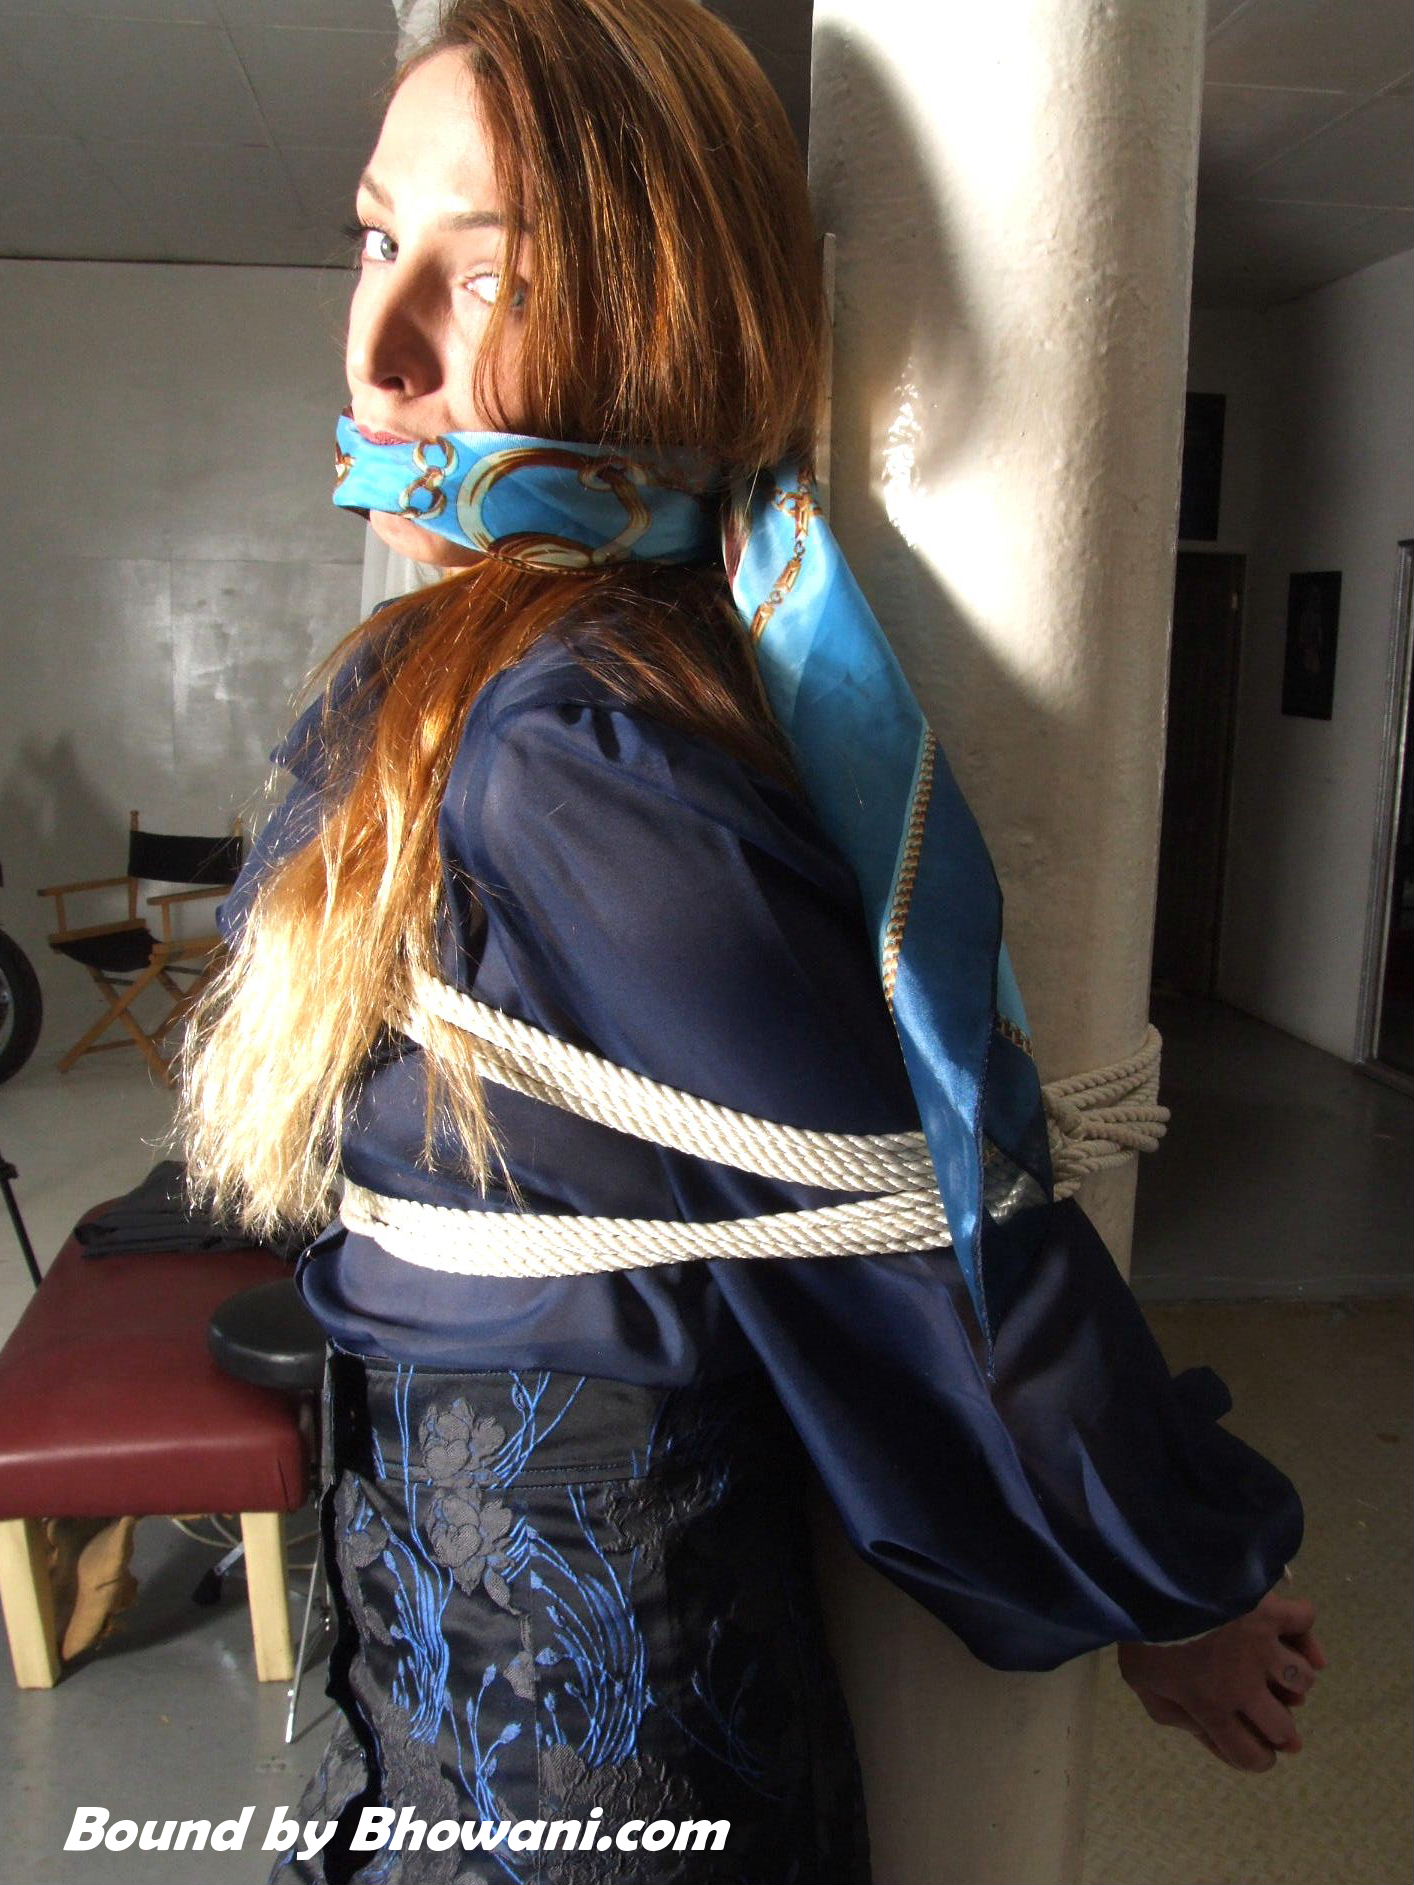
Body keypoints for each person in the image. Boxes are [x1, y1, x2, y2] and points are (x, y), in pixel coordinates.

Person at [179, 2, 1324, 1879]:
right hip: (445, 1660)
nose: (381, 348)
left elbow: (922, 1240)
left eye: (489, 277)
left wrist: (1177, 1574)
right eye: (378, 241)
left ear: (657, 315)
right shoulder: (459, 682)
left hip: (588, 1744)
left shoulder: (568, 741)